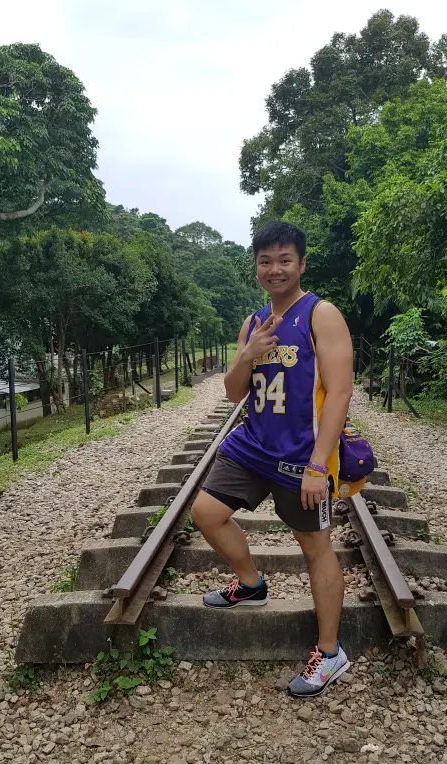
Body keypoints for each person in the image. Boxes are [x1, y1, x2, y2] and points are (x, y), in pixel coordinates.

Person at [190, 221, 353, 698]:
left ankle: (328, 652)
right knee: (205, 512)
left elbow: (341, 391)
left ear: (301, 264)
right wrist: (249, 354)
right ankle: (251, 583)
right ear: (255, 267)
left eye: (285, 260)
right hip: (253, 444)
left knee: (314, 546)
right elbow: (232, 392)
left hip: (302, 453)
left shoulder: (321, 315)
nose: (275, 269)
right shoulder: (254, 322)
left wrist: (319, 465)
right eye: (266, 261)